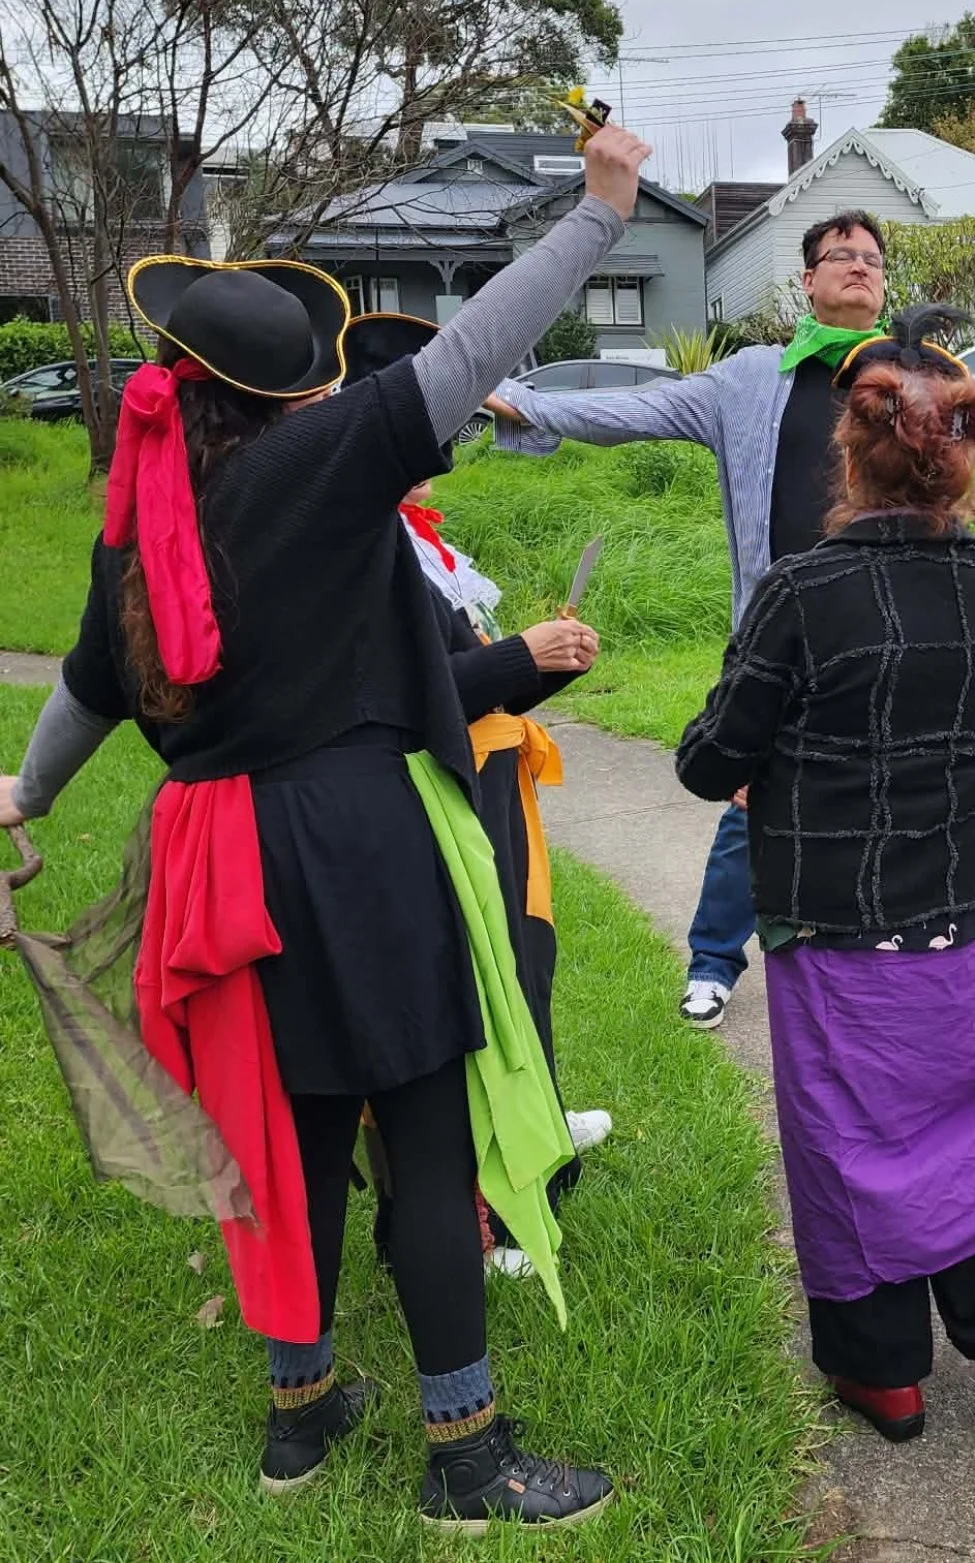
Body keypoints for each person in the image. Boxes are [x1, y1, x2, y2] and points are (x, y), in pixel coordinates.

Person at [0, 122, 652, 1529]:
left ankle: (302, 1416)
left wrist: (22, 792)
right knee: (420, 1138)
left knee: (288, 1136)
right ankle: (466, 1459)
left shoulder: (142, 513)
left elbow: (87, 688)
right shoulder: (316, 466)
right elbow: (469, 353)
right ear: (288, 393)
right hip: (347, 845)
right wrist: (599, 215)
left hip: (215, 860)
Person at [486, 210, 975, 1031]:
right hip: (789, 620)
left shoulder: (924, 376)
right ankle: (714, 959)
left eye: (872, 258)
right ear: (806, 280)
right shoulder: (745, 380)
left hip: (899, 616)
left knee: (898, 787)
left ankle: (897, 948)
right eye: (838, 255)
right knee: (751, 794)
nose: (857, 265)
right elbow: (639, 408)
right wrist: (526, 404)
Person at [674, 306, 975, 1443]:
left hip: (837, 920)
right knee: (971, 1116)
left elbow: (713, 758)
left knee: (847, 1139)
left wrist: (763, 752)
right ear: (959, 456)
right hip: (962, 909)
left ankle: (887, 1374)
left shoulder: (804, 589)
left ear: (847, 454)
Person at [340, 313, 612, 1275]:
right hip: (430, 801)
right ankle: (477, 1203)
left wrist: (547, 663)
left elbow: (470, 676)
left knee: (521, 965)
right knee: (466, 995)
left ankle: (532, 1120)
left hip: (491, 789)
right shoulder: (359, 548)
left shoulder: (416, 541)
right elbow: (397, 700)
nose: (443, 454)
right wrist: (516, 655)